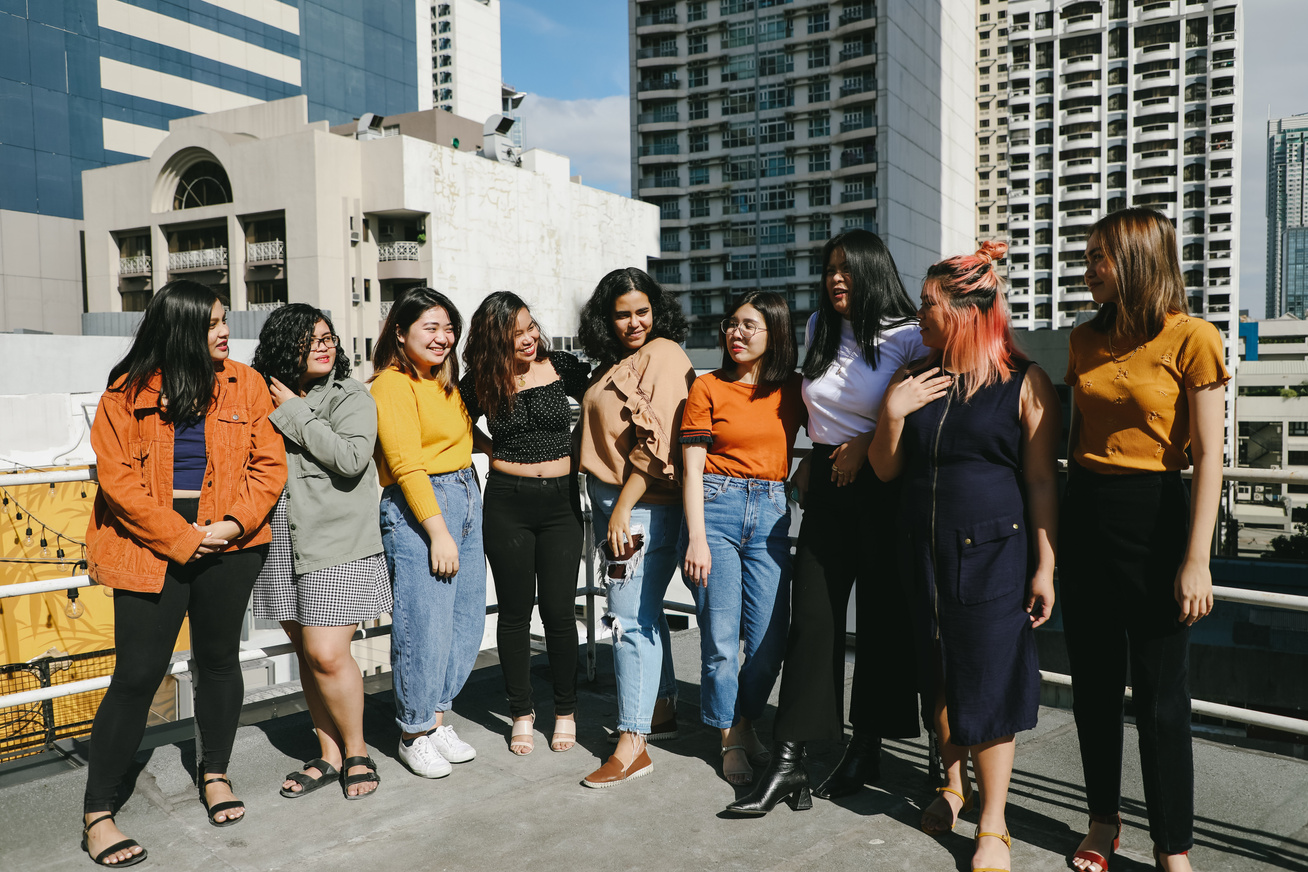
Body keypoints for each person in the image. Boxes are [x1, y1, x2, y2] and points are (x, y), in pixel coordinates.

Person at [868, 241, 1059, 872]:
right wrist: (891, 417)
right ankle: (953, 785)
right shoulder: (914, 377)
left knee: (988, 681)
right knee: (939, 673)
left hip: (994, 554)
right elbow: (885, 469)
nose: (917, 316)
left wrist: (1045, 564)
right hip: (919, 547)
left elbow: (1038, 482)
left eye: (927, 305)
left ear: (965, 309)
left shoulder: (1023, 382)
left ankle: (994, 825)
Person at [81, 280, 286, 865]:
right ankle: (99, 812)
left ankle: (214, 772)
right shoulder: (124, 393)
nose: (225, 332)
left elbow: (268, 467)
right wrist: (179, 537)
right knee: (138, 675)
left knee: (219, 661)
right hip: (148, 547)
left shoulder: (245, 385)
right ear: (180, 331)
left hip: (229, 542)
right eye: (213, 323)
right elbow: (118, 483)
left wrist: (227, 527)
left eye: (225, 320)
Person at [728, 229, 925, 815]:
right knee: (812, 621)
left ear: (873, 271)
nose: (836, 278)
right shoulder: (817, 327)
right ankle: (790, 761)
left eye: (848, 268)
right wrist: (816, 453)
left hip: (884, 489)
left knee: (883, 626)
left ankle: (866, 748)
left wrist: (866, 441)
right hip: (830, 494)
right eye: (830, 268)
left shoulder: (909, 335)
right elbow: (817, 404)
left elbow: (924, 414)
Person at [1063, 209, 1226, 872]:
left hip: (1157, 518)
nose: (1088, 268)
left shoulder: (1195, 338)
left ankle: (1173, 847)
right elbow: (1076, 439)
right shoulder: (1082, 340)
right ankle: (1103, 821)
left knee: (1162, 700)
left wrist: (1197, 559)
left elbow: (1211, 457)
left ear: (1134, 260)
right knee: (1094, 688)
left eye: (1098, 257)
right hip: (1086, 515)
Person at [251, 304, 390, 800]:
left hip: (337, 540)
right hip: (280, 539)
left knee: (328, 653)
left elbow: (353, 458)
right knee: (307, 654)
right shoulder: (258, 392)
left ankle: (357, 751)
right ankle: (328, 754)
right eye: (312, 339)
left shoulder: (350, 395)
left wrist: (292, 409)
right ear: (285, 347)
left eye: (328, 337)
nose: (325, 345)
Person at [679, 291, 803, 786]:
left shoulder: (792, 389)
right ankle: (729, 736)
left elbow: (833, 427)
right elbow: (690, 469)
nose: (736, 333)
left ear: (775, 333)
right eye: (731, 324)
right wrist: (696, 538)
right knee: (722, 641)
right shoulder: (707, 388)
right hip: (715, 509)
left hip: (772, 512)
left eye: (750, 325)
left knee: (771, 640)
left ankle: (747, 720)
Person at [577, 267, 695, 788]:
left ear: (657, 310)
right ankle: (660, 710)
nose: (633, 322)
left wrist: (622, 507)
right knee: (643, 612)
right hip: (618, 506)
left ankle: (632, 743)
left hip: (641, 508)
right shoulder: (618, 362)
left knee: (626, 623)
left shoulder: (664, 355)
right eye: (621, 314)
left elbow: (661, 442)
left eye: (642, 311)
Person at [459, 292, 590, 756]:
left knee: (558, 611)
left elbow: (596, 403)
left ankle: (566, 710)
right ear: (497, 337)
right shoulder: (482, 380)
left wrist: (577, 448)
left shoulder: (564, 367)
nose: (530, 337)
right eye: (517, 333)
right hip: (508, 502)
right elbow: (456, 420)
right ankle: (521, 712)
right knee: (514, 613)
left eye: (532, 326)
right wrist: (490, 450)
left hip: (561, 504)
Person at [370, 288, 485, 780]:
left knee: (464, 617)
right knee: (424, 623)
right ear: (401, 332)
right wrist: (437, 531)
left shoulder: (442, 381)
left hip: (465, 493)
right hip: (422, 508)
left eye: (448, 328)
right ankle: (413, 731)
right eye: (430, 328)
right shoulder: (392, 385)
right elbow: (404, 463)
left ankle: (436, 717)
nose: (443, 338)